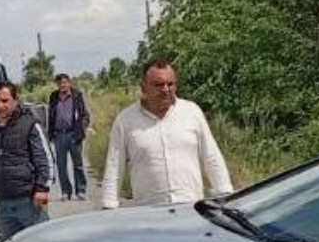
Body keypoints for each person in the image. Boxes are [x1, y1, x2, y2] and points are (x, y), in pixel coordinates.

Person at [99, 58, 234, 210]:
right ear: (143, 86)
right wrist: (109, 205)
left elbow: (211, 156)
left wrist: (225, 194)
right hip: (148, 213)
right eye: (158, 85)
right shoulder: (126, 120)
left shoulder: (191, 112)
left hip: (191, 209)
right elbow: (114, 166)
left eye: (170, 84)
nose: (165, 89)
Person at [0, 80, 53, 240]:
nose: (0, 105)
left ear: (16, 100)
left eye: (5, 101)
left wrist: (42, 188)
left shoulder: (30, 125)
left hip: (29, 202)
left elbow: (45, 159)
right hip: (5, 204)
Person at [44, 73, 91, 200]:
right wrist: (50, 134)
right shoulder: (53, 97)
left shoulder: (77, 95)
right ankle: (66, 191)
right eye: (60, 83)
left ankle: (80, 190)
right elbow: (51, 116)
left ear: (69, 83)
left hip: (74, 134)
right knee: (61, 166)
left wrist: (82, 127)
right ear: (57, 85)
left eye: (64, 82)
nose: (62, 85)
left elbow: (85, 115)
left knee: (78, 165)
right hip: (59, 135)